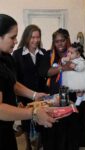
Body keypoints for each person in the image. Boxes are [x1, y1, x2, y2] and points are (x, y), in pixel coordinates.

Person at [0, 14, 55, 150]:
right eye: (12, 37)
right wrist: (34, 113)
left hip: (7, 127)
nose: (16, 41)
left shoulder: (6, 57)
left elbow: (12, 83)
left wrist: (34, 95)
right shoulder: (16, 54)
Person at [39, 28, 81, 150]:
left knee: (69, 134)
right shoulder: (48, 55)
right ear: (54, 42)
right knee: (54, 133)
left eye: (62, 40)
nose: (60, 44)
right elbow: (44, 72)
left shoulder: (76, 54)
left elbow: (84, 70)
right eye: (57, 41)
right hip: (53, 101)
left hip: (71, 99)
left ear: (67, 40)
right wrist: (62, 67)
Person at [13, 24, 47, 150]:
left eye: (38, 37)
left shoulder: (43, 53)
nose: (35, 40)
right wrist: (18, 100)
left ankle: (39, 146)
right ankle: (28, 145)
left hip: (42, 96)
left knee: (41, 123)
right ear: (26, 37)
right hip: (25, 97)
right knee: (27, 123)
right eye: (32, 37)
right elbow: (15, 80)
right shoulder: (17, 54)